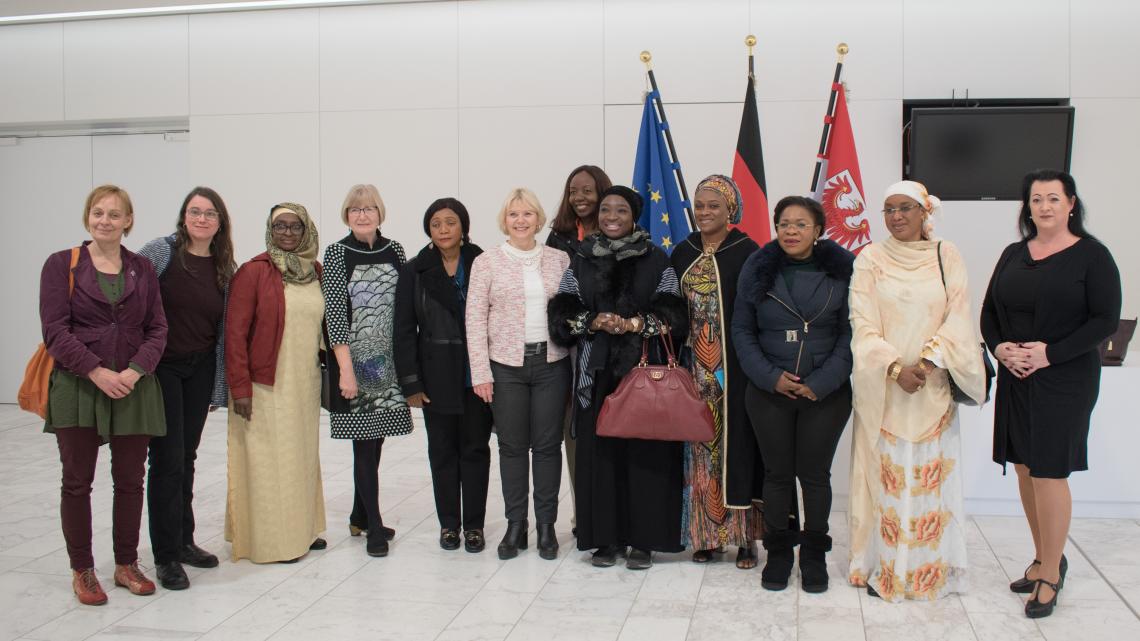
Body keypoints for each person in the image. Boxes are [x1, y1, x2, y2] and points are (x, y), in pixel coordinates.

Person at [981, 169, 1121, 618]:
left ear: (1072, 204)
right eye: (1036, 199)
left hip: (1063, 379)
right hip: (1015, 376)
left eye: (1053, 199)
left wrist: (1050, 354)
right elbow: (988, 312)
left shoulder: (1093, 256)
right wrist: (1000, 347)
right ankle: (1045, 555)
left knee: (1048, 472)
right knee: (1024, 468)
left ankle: (1051, 576)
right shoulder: (1012, 253)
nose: (1044, 207)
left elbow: (1104, 321)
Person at [847, 180, 987, 602]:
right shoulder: (869, 258)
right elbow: (862, 323)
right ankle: (885, 567)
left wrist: (924, 365)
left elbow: (959, 316)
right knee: (886, 478)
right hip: (886, 393)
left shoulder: (947, 255)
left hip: (932, 388)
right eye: (888, 209)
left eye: (905, 208)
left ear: (926, 212)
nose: (896, 217)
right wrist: (894, 368)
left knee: (929, 479)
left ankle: (931, 570)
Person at [548, 185, 688, 570]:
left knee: (646, 457)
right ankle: (605, 540)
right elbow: (561, 313)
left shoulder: (657, 259)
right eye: (606, 209)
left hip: (644, 376)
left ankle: (644, 541)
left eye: (621, 210)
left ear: (634, 216)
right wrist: (590, 320)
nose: (611, 216)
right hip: (596, 374)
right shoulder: (582, 258)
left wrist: (633, 324)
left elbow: (674, 317)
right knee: (600, 458)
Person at [40, 184, 167, 605]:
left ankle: (126, 563)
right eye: (98, 213)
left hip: (133, 386)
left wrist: (133, 371)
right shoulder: (62, 265)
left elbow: (157, 328)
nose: (105, 221)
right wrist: (96, 371)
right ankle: (83, 570)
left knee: (130, 481)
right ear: (87, 218)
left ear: (128, 221)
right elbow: (55, 331)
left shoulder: (143, 268)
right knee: (77, 482)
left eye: (115, 214)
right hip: (78, 386)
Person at [732, 195, 854, 592]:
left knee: (815, 475)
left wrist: (820, 383)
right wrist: (771, 377)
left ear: (818, 230)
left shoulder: (844, 271)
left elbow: (853, 334)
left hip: (826, 392)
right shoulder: (758, 268)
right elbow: (742, 331)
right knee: (778, 474)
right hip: (770, 391)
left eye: (801, 224)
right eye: (784, 223)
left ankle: (814, 554)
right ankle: (780, 552)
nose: (791, 231)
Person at [137, 187, 235, 590]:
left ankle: (184, 540)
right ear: (183, 216)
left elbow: (222, 329)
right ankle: (165, 556)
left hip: (197, 369)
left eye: (209, 213)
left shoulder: (224, 264)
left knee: (187, 456)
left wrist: (218, 385)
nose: (201, 219)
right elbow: (131, 297)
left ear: (220, 221)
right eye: (194, 212)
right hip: (161, 370)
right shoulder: (160, 252)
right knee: (166, 459)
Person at [467, 188, 571, 561]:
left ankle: (546, 526)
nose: (521, 220)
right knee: (511, 447)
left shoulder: (559, 259)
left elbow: (569, 313)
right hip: (506, 367)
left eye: (528, 214)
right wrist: (481, 372)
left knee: (546, 447)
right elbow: (475, 319)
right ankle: (516, 525)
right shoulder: (487, 262)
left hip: (551, 365)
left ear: (539, 219)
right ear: (504, 220)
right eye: (514, 214)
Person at [225, 203, 327, 564]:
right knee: (268, 462)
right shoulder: (254, 272)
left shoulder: (315, 271)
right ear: (270, 229)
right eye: (279, 226)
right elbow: (234, 335)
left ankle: (302, 529)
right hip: (263, 385)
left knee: (300, 457)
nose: (287, 233)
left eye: (294, 226)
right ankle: (270, 541)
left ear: (306, 231)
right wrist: (239, 388)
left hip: (304, 383)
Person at [669, 175, 763, 570]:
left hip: (736, 369)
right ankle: (705, 536)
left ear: (731, 211)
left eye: (714, 206)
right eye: (700, 205)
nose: (704, 212)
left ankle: (744, 539)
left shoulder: (748, 252)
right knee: (699, 450)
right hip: (694, 369)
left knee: (736, 449)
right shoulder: (682, 251)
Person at [395, 198, 493, 553]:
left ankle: (475, 526)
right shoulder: (414, 270)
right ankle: (449, 524)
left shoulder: (483, 261)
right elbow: (404, 330)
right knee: (442, 451)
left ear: (463, 226)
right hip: (434, 373)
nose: (443, 230)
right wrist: (411, 383)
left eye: (450, 222)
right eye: (436, 224)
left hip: (477, 372)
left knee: (476, 449)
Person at [322, 184, 412, 558]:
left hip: (389, 362)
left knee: (376, 442)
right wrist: (345, 371)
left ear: (380, 213)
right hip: (355, 362)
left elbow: (405, 308)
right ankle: (374, 525)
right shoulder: (336, 254)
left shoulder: (396, 251)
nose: (362, 214)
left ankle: (360, 514)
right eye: (355, 209)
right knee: (363, 444)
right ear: (346, 215)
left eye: (369, 208)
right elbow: (336, 317)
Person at [546, 165, 613, 537]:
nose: (580, 198)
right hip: (571, 345)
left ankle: (609, 509)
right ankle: (581, 512)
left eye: (588, 190)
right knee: (573, 431)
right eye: (574, 191)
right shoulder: (558, 238)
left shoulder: (621, 234)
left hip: (611, 345)